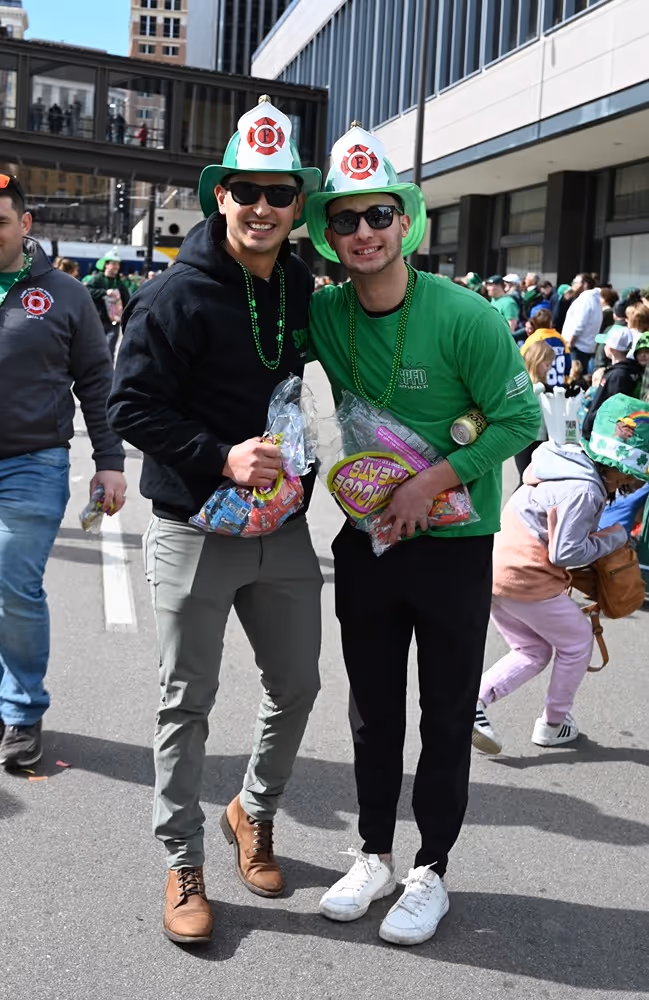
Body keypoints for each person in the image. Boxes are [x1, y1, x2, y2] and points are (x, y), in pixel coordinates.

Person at [304, 122, 540, 945]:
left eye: (378, 215)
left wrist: (428, 483)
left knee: (443, 715)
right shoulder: (324, 315)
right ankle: (371, 853)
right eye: (344, 219)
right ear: (327, 234)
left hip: (451, 547)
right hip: (367, 546)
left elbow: (519, 415)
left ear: (405, 220)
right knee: (372, 713)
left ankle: (429, 868)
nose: (362, 232)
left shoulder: (466, 315)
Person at [107, 97, 323, 946]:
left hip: (280, 529)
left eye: (278, 192)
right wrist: (218, 455)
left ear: (296, 204)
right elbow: (130, 405)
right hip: (195, 523)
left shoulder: (302, 287)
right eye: (245, 190)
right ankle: (183, 858)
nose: (261, 206)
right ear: (218, 196)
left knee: (298, 685)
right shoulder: (174, 295)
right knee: (185, 702)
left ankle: (251, 810)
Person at [0, 174, 126, 769]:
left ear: (25, 226)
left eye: (1, 221)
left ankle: (22, 711)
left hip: (33, 462)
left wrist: (109, 463)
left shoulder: (65, 295)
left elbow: (97, 386)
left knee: (11, 585)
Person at [473, 394, 649, 756]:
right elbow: (565, 552)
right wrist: (612, 538)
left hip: (499, 569)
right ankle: (554, 724)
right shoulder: (585, 489)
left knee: (533, 649)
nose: (630, 480)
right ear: (614, 462)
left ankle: (471, 704)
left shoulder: (565, 463)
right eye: (630, 472)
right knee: (577, 642)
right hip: (527, 574)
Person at [582, 328, 643, 439]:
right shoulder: (628, 371)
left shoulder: (618, 376)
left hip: (603, 435)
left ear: (610, 349)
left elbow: (613, 409)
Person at [513, 341, 554, 486]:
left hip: (541, 439)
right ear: (536, 360)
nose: (548, 368)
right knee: (525, 480)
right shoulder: (523, 384)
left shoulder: (546, 388)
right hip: (524, 439)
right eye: (546, 364)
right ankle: (511, 508)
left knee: (536, 480)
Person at [85, 249, 131, 361]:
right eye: (113, 264)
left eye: (118, 264)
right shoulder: (97, 279)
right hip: (97, 320)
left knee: (110, 347)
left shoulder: (119, 283)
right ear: (106, 265)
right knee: (95, 347)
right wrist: (104, 293)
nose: (116, 267)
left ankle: (107, 372)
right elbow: (86, 292)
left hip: (113, 321)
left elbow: (127, 300)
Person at [520, 308, 571, 387]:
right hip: (559, 384)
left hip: (541, 384)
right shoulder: (560, 338)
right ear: (550, 323)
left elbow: (521, 358)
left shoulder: (533, 339)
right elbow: (568, 361)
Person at [562, 272, 602, 370]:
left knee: (574, 375)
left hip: (577, 346)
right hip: (586, 345)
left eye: (575, 282)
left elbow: (580, 323)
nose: (573, 285)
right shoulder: (594, 299)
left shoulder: (585, 299)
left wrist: (571, 342)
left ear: (585, 284)